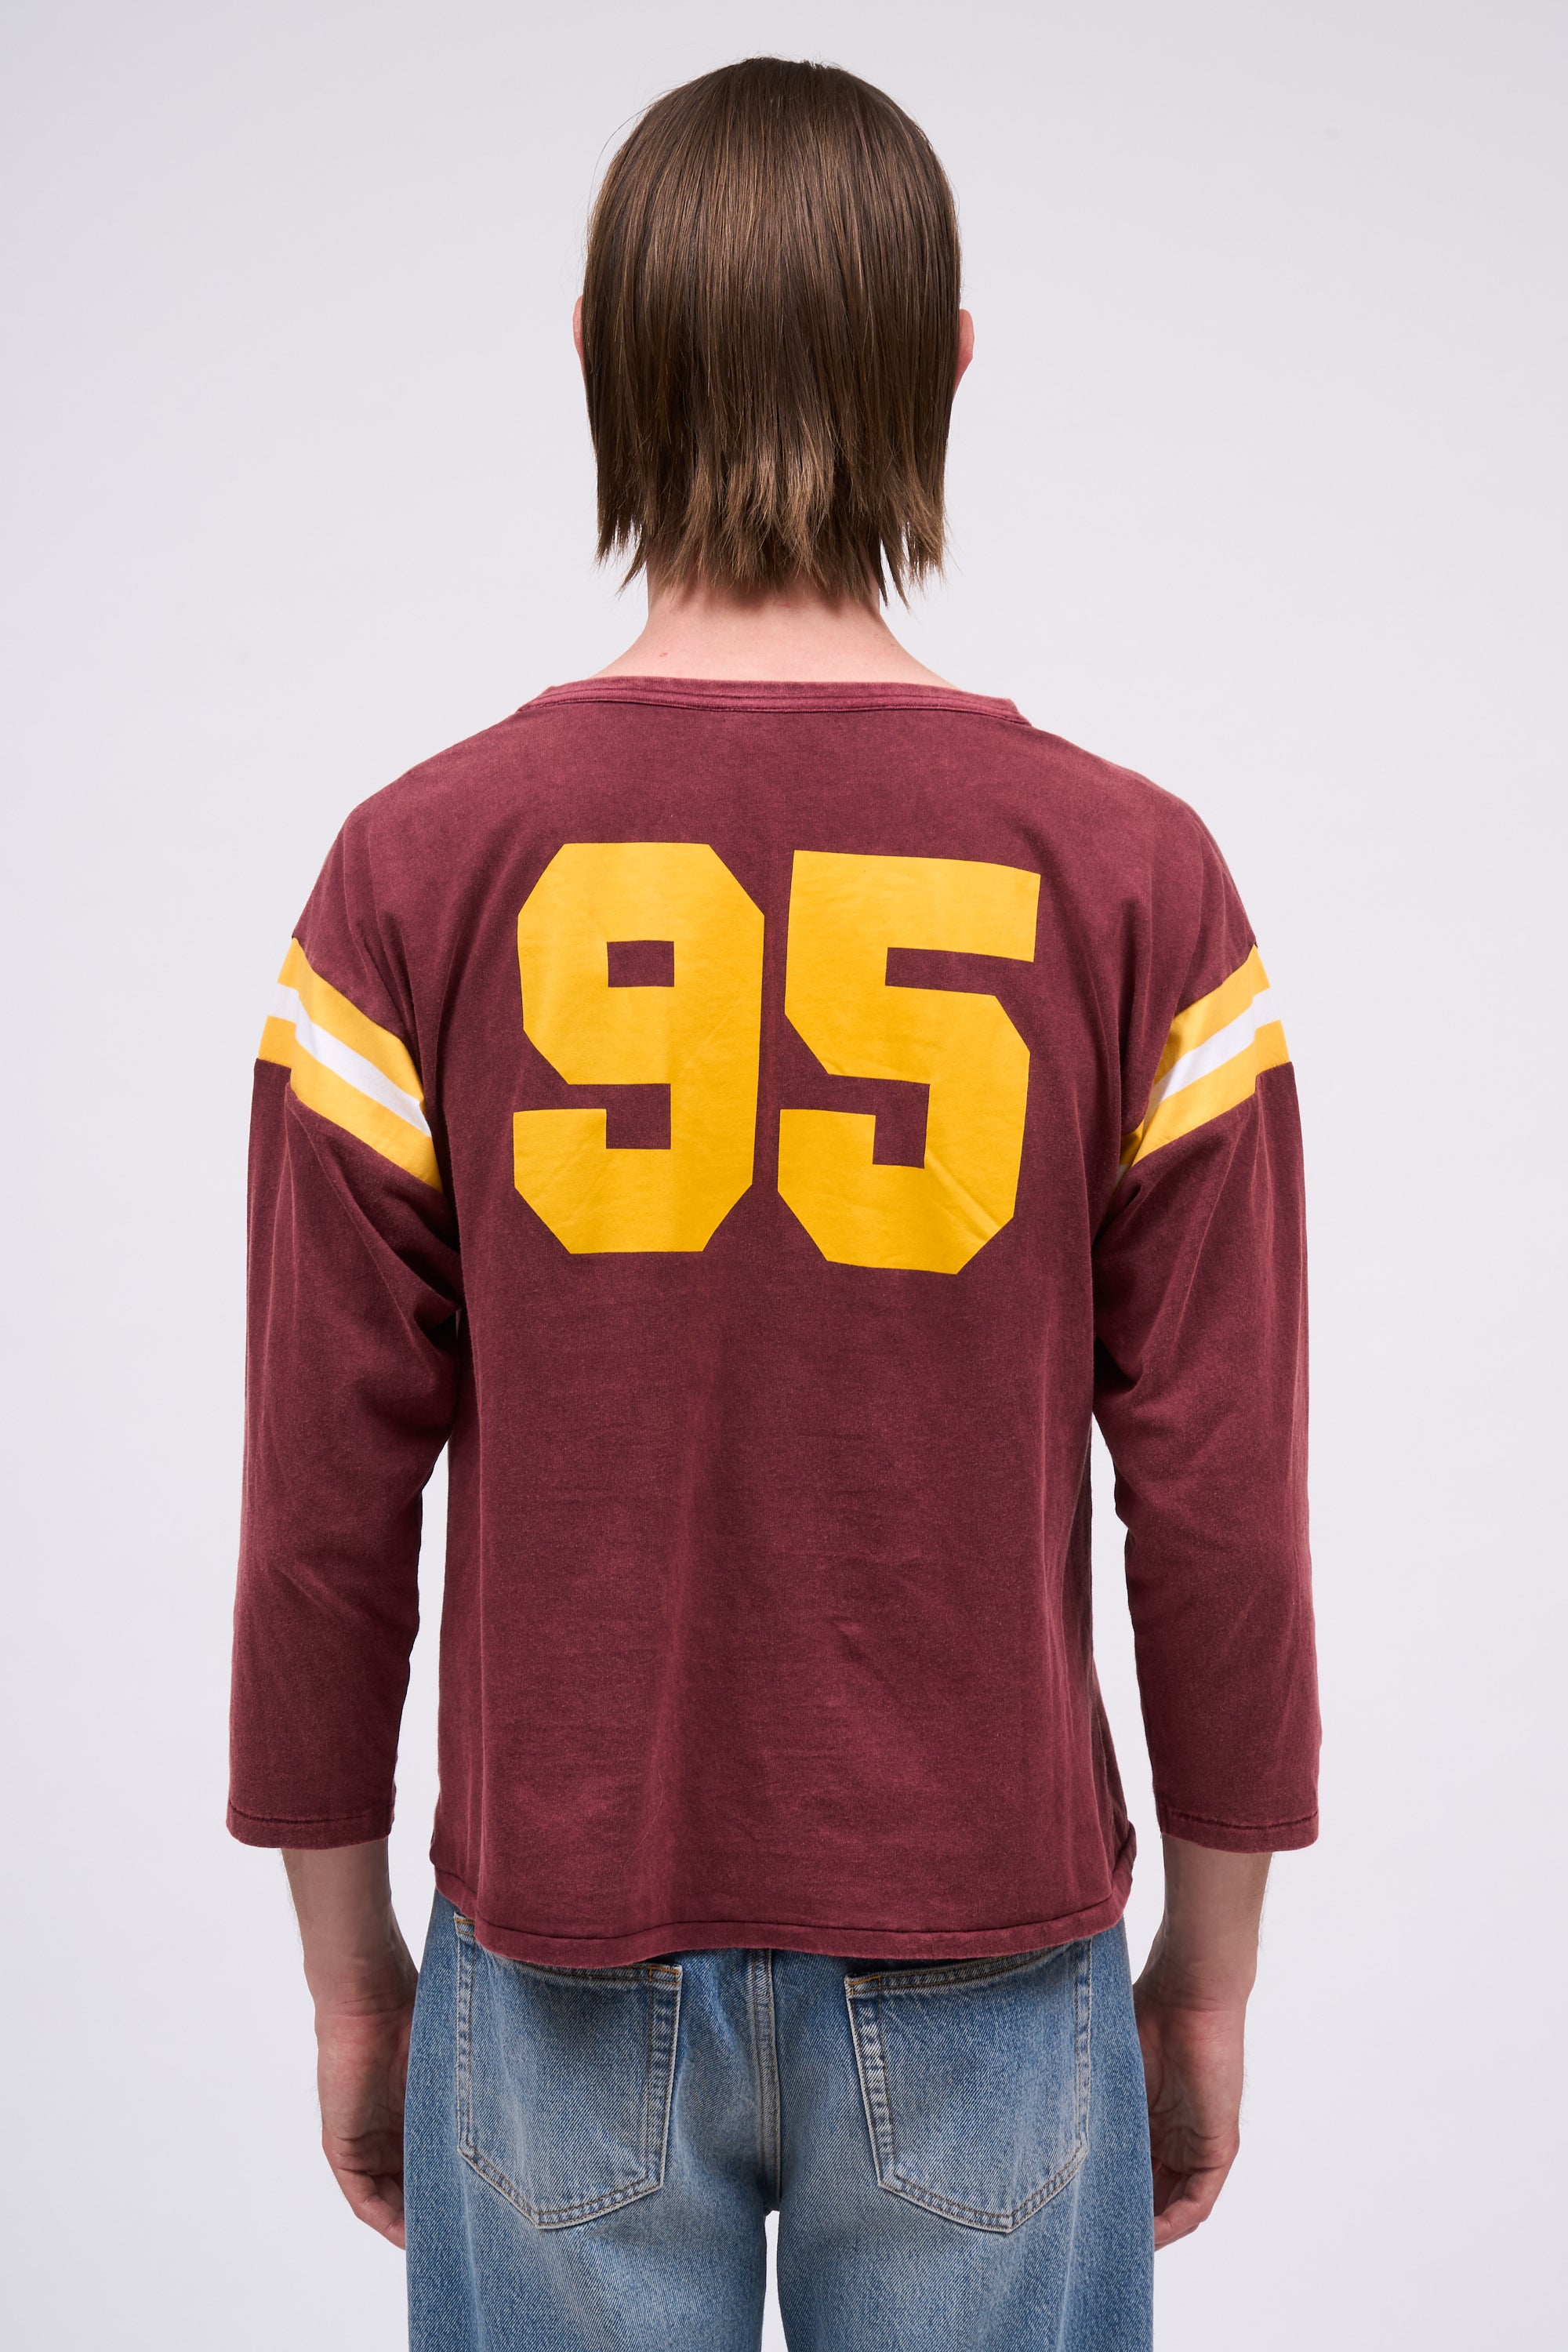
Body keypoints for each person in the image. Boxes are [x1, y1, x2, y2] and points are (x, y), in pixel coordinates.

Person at [230, 55, 1318, 2351]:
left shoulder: (413, 871)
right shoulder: (1138, 880)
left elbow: (321, 1503)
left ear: (595, 360)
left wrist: (349, 1974)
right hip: (994, 1948)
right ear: (949, 366)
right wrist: (1211, 1968)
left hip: (555, 1946)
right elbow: (1221, 1505)